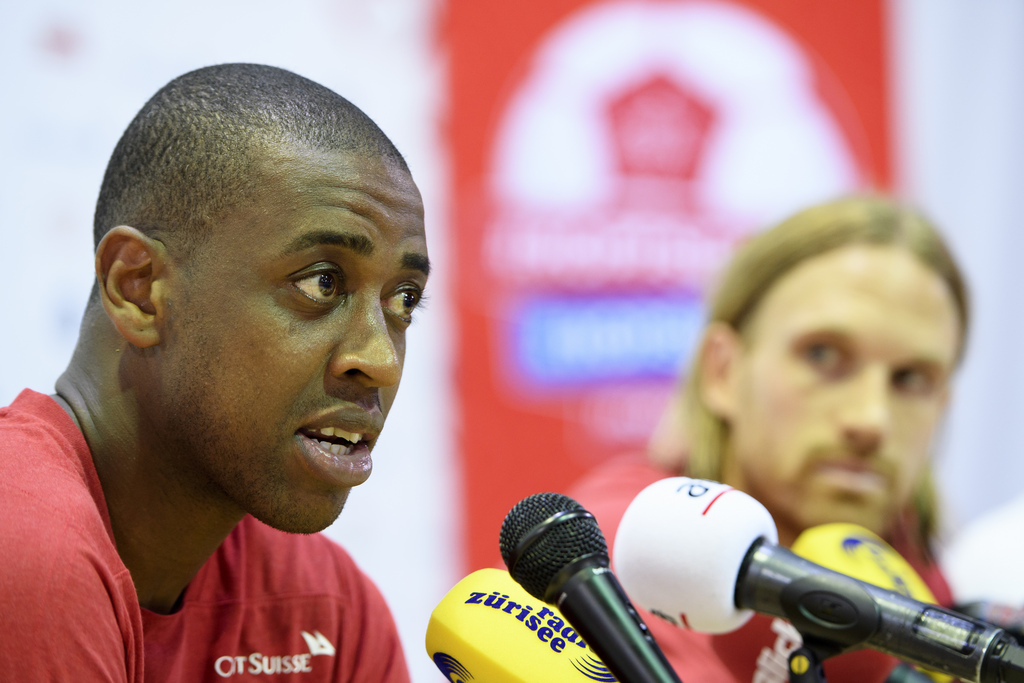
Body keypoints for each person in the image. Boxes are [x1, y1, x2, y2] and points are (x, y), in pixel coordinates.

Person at [0, 63, 430, 681]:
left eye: (404, 300)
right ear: (139, 288)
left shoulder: (329, 609)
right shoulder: (26, 547)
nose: (381, 360)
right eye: (322, 282)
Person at [570, 195, 969, 683]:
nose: (871, 419)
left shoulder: (921, 582)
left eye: (910, 378)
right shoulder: (612, 553)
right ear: (723, 372)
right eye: (822, 355)